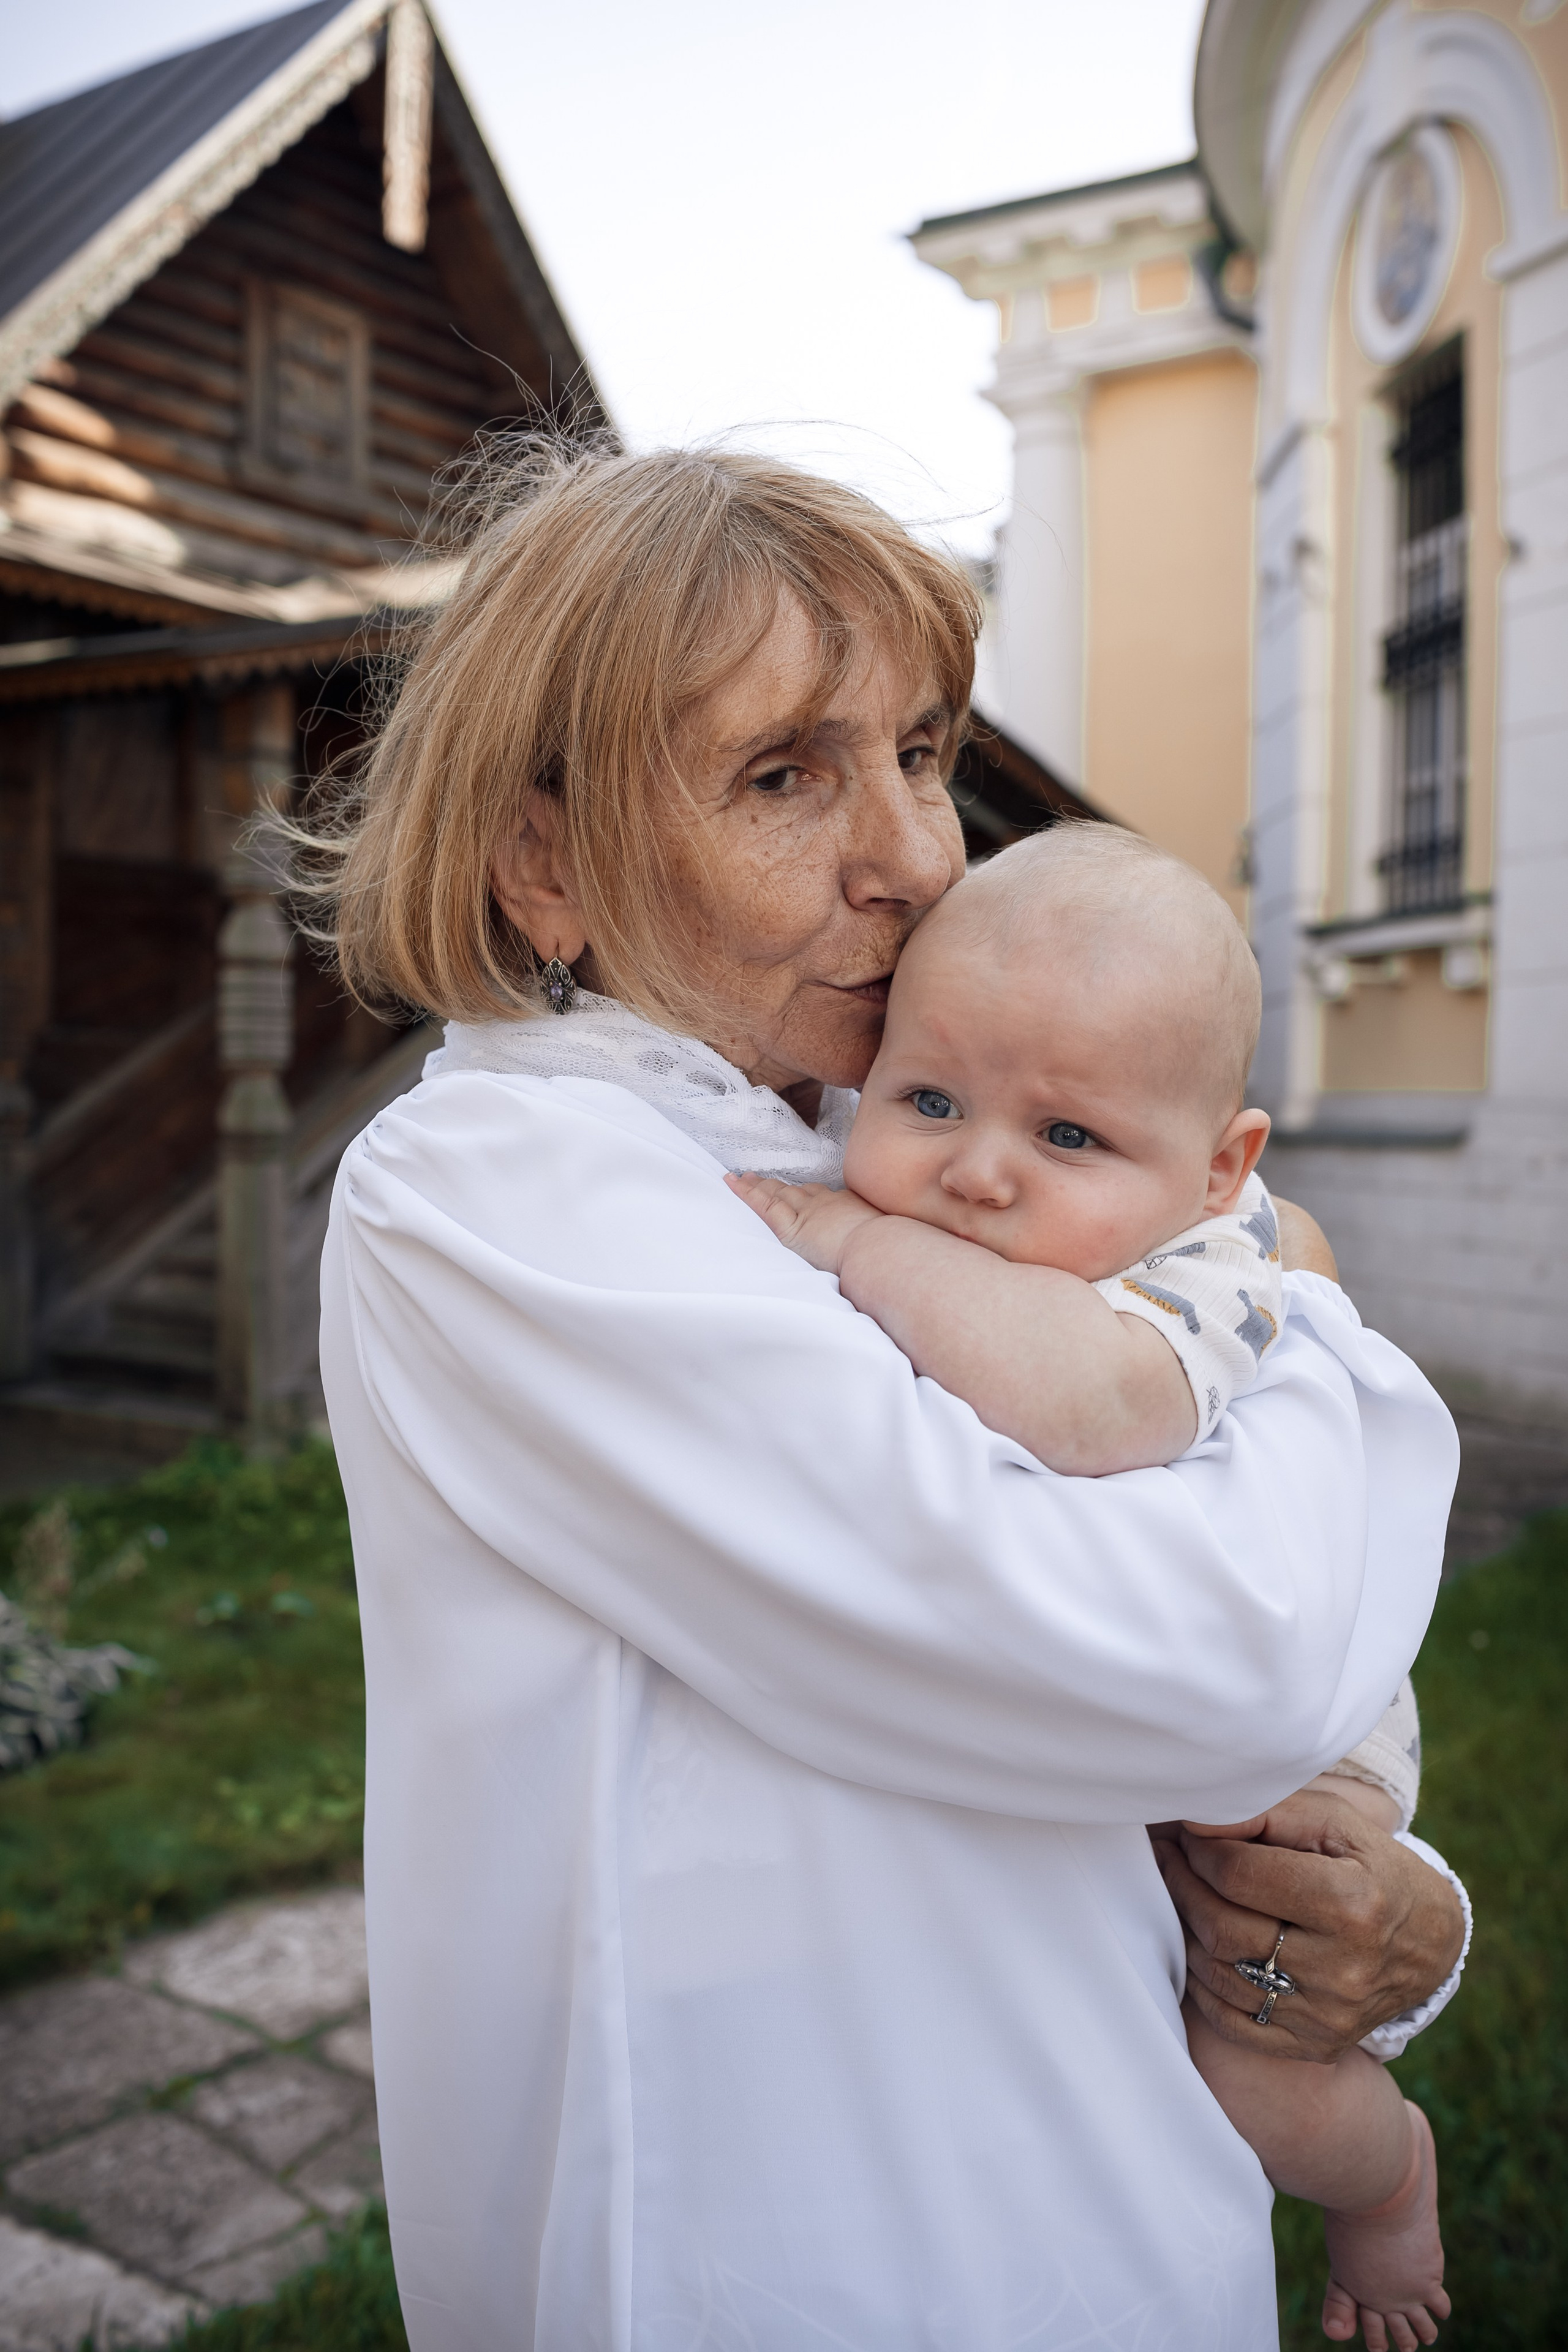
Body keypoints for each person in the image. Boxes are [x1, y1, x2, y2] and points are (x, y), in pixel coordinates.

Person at [309, 443, 1470, 2351]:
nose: (921, 856)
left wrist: (1373, 1905)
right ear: (549, 865)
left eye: (924, 750)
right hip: (799, 2251)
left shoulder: (896, 1131)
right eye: (787, 775)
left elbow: (1243, 1682)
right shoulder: (508, 1189)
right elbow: (1206, 1659)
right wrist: (1311, 1323)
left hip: (1120, 2191)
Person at [731, 823, 1447, 2351]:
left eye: (1066, 1139)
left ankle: (1383, 2184)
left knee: (1246, 2062)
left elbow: (1082, 1409)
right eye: (926, 1099)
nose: (976, 1172)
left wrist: (854, 1233)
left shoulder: (1205, 1272)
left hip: (1301, 1760)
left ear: (1218, 1171)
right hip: (1101, 1747)